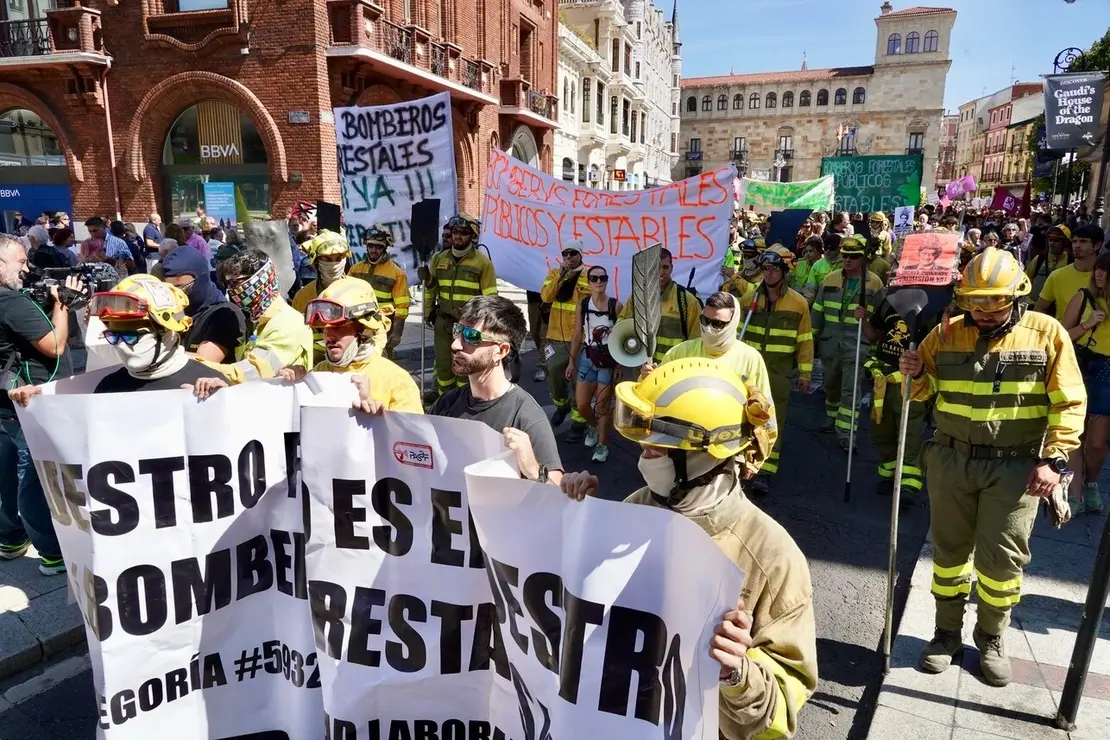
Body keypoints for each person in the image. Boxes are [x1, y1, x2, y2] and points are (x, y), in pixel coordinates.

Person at [558, 359, 817, 739]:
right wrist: (574, 522)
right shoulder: (639, 507)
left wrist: (737, 673)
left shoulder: (772, 559)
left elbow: (777, 717)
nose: (642, 455)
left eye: (656, 448)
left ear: (701, 457)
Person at [899, 247, 1086, 687]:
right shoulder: (945, 334)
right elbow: (921, 392)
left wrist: (1053, 460)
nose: (983, 312)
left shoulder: (1047, 334)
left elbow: (1070, 403)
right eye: (974, 301)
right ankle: (945, 635)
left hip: (1016, 468)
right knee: (948, 557)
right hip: (951, 460)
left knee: (1001, 563)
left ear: (1018, 296)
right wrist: (913, 373)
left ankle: (991, 639)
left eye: (994, 302)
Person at [0, 234, 75, 575]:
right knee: (34, 475)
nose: (26, 268)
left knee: (7, 471)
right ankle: (52, 552)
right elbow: (56, 345)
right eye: (20, 262)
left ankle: (11, 538)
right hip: (23, 402)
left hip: (7, 403)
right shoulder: (10, 302)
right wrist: (62, 305)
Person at [430, 295, 563, 486]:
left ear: (501, 351)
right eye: (457, 331)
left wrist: (533, 469)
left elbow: (557, 494)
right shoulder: (446, 404)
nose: (455, 344)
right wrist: (378, 419)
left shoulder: (526, 417)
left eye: (471, 337)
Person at [739, 246, 813, 495]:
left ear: (785, 271)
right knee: (743, 418)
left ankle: (765, 470)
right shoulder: (749, 299)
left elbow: (804, 340)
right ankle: (741, 462)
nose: (769, 273)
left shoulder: (798, 304)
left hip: (779, 375)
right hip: (748, 373)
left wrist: (804, 373)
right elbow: (737, 335)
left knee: (772, 423)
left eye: (774, 269)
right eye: (766, 268)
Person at [859, 290, 940, 505]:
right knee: (881, 429)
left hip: (912, 379)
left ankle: (909, 484)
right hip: (884, 379)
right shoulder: (888, 302)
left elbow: (939, 345)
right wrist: (862, 319)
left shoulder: (932, 306)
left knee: (909, 432)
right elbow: (873, 335)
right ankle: (890, 474)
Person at [196, 248, 313, 384]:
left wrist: (189, 364)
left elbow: (253, 372)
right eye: (229, 284)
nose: (232, 290)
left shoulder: (287, 324)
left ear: (262, 279)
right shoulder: (257, 321)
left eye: (237, 283)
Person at [811, 235, 883, 450]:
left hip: (857, 341)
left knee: (851, 390)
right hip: (830, 342)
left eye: (853, 256)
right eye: (845, 256)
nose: (848, 260)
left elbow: (880, 317)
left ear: (863, 258)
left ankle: (847, 434)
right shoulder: (830, 279)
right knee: (831, 384)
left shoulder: (874, 283)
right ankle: (832, 417)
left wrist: (873, 340)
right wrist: (810, 341)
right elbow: (818, 311)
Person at [420, 214, 498, 399]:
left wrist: (487, 325)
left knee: (465, 367)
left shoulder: (483, 263)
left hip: (469, 326)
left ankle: (465, 402)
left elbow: (490, 298)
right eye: (455, 232)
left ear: (472, 236)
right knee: (443, 368)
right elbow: (432, 289)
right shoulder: (439, 259)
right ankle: (445, 403)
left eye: (463, 233)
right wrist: (427, 310)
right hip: (444, 322)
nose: (458, 236)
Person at [1059, 249, 1110, 516]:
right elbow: (1061, 335)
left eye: (1105, 270)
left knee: (1098, 442)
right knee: (1075, 432)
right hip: (1082, 365)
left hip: (1108, 372)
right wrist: (1088, 324)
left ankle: (1090, 482)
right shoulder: (1084, 296)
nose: (1099, 274)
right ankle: (1076, 490)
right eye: (1098, 269)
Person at [566, 264, 621, 463]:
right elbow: (577, 335)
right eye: (595, 278)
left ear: (607, 280)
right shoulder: (583, 304)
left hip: (607, 360)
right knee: (582, 405)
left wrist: (619, 366)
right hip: (588, 357)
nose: (599, 282)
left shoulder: (616, 305)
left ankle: (602, 445)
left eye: (603, 278)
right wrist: (571, 362)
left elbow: (622, 339)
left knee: (602, 406)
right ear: (588, 282)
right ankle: (595, 427)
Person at [539, 240, 591, 436]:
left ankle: (578, 422)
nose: (568, 257)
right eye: (565, 254)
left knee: (579, 380)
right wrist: (560, 276)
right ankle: (562, 406)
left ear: (580, 255)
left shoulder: (588, 276)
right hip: (556, 335)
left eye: (572, 253)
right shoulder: (554, 274)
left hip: (581, 338)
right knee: (553, 372)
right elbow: (546, 297)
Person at [160, 245, 245, 363]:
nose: (177, 294)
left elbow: (205, 360)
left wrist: (156, 355)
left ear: (201, 279)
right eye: (170, 289)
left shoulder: (224, 314)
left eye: (182, 288)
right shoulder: (174, 310)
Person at [618, 247, 701, 363]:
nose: (661, 271)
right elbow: (622, 324)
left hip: (673, 369)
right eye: (656, 267)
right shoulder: (637, 296)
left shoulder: (687, 301)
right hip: (643, 368)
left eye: (665, 267)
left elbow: (696, 341)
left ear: (671, 268)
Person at [348, 225, 410, 359]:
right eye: (371, 246)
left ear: (385, 247)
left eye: (378, 247)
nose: (374, 250)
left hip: (384, 325)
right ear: (366, 245)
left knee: (382, 361)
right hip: (358, 324)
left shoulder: (397, 273)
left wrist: (397, 332)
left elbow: (402, 306)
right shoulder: (355, 269)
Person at [292, 229, 354, 363]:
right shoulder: (302, 297)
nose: (334, 264)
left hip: (352, 360)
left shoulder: (359, 290)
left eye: (339, 258)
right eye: (326, 259)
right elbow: (295, 337)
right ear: (315, 261)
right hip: (314, 363)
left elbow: (376, 331)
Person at [1034, 223, 1102, 321]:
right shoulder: (1057, 276)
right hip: (1064, 334)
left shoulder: (1105, 276)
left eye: (1083, 241)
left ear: (1097, 245)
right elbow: (1040, 308)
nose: (1077, 246)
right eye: (1074, 241)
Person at [1026, 225, 1072, 303]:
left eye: (1056, 241)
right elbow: (1027, 278)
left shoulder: (1071, 261)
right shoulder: (1039, 259)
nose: (1052, 243)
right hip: (1034, 305)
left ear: (1065, 243)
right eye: (1050, 240)